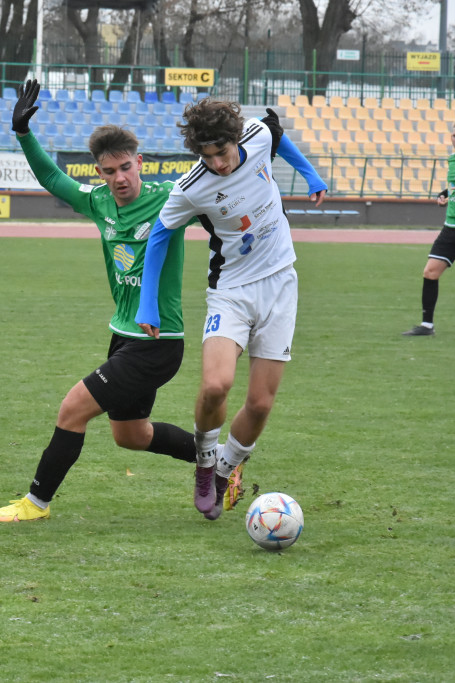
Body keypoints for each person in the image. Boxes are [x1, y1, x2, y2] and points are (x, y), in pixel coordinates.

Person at [0, 79, 197, 523]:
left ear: (140, 163)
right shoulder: (98, 201)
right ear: (98, 172)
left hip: (157, 340)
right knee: (131, 436)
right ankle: (220, 460)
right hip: (123, 337)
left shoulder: (170, 200)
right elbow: (52, 178)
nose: (119, 178)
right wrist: (24, 134)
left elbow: (219, 177)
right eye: (108, 171)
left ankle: (35, 502)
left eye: (125, 167)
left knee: (72, 409)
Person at [135, 99, 327, 521]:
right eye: (208, 156)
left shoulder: (257, 135)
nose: (218, 163)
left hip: (280, 284)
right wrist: (148, 304)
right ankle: (205, 464)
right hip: (231, 292)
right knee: (216, 386)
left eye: (223, 153)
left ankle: (226, 469)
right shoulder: (192, 187)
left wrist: (310, 173)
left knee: (260, 404)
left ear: (236, 139)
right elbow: (159, 236)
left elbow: (278, 136)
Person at [402, 121, 455, 336]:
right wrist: (445, 194)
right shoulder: (452, 160)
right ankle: (427, 326)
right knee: (430, 272)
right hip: (450, 228)